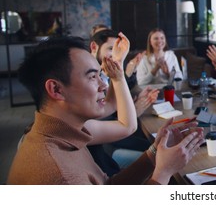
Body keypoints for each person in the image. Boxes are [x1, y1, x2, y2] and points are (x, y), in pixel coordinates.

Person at [8, 36, 204, 184]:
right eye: (93, 77)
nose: (103, 85)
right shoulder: (58, 174)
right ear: (56, 89)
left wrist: (155, 151)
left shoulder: (67, 132)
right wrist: (164, 172)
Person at [89, 29, 159, 173]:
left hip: (111, 142)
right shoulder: (92, 81)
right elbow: (125, 125)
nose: (102, 85)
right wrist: (134, 110)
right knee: (159, 155)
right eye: (110, 49)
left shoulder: (104, 73)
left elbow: (110, 105)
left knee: (158, 146)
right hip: (108, 148)